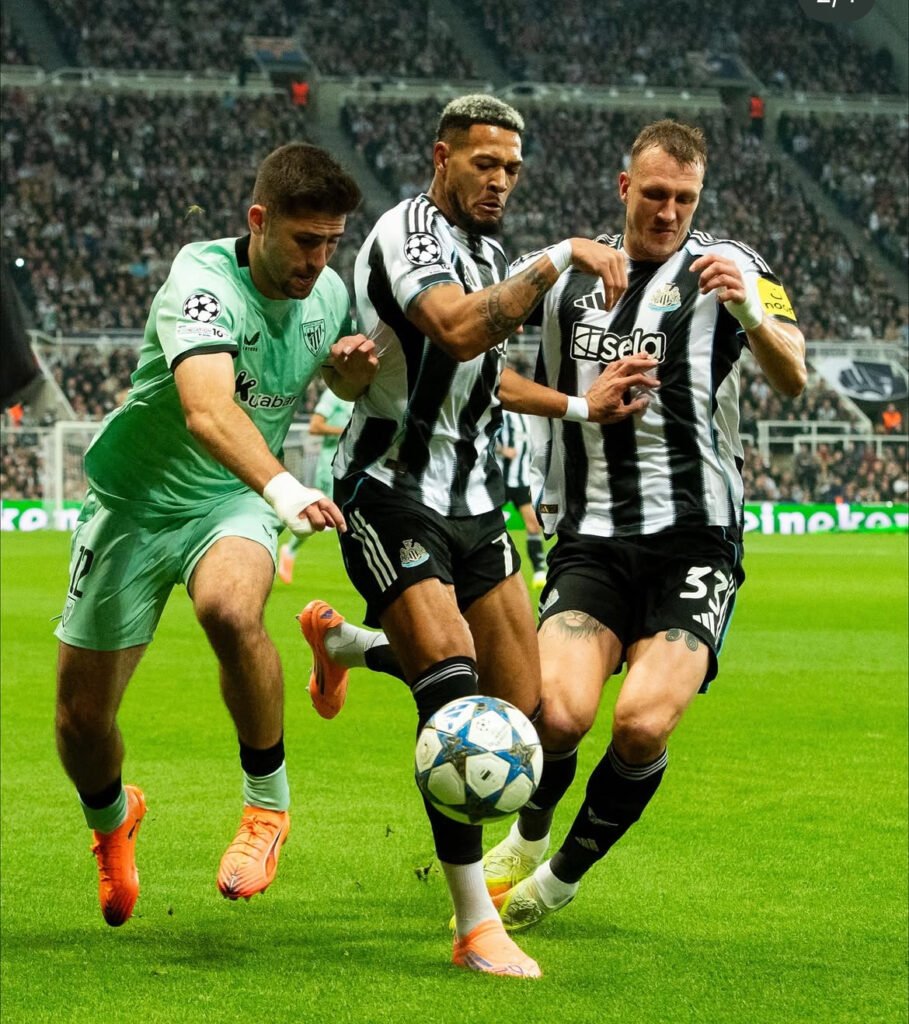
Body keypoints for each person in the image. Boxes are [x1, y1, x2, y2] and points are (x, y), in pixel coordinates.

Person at [302, 118, 806, 940]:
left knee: (641, 721)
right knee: (550, 715)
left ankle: (559, 875)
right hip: (592, 540)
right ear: (623, 188)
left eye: (684, 199)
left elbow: (791, 376)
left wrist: (751, 311)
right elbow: (493, 380)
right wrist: (576, 405)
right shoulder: (566, 284)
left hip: (696, 541)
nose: (668, 211)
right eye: (653, 194)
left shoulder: (736, 268)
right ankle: (524, 827)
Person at [298, 93, 656, 979]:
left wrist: (579, 402)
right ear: (442, 157)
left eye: (511, 170)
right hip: (387, 494)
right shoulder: (407, 232)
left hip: (473, 505)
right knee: (457, 709)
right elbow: (458, 332)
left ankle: (349, 645)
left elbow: (487, 380)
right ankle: (472, 927)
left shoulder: (487, 253)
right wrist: (562, 252)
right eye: (484, 164)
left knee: (524, 718)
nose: (499, 180)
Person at [54, 142, 377, 927]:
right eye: (304, 241)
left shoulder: (329, 292)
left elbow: (332, 379)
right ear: (258, 221)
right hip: (134, 503)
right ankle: (112, 824)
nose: (317, 260)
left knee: (231, 612)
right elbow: (205, 409)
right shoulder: (200, 283)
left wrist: (346, 369)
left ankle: (267, 809)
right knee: (81, 722)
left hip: (229, 500)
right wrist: (286, 484)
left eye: (331, 242)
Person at [277, 388, 354, 584]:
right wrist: (348, 431)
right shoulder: (333, 395)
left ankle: (353, 558)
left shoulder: (359, 392)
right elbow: (315, 426)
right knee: (327, 514)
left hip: (352, 464)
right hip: (330, 464)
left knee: (347, 513)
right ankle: (290, 549)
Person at [497, 407, 547, 587]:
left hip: (522, 482)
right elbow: (485, 440)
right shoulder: (502, 414)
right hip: (500, 481)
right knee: (490, 527)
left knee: (533, 524)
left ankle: (540, 570)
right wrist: (502, 450)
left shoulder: (530, 417)